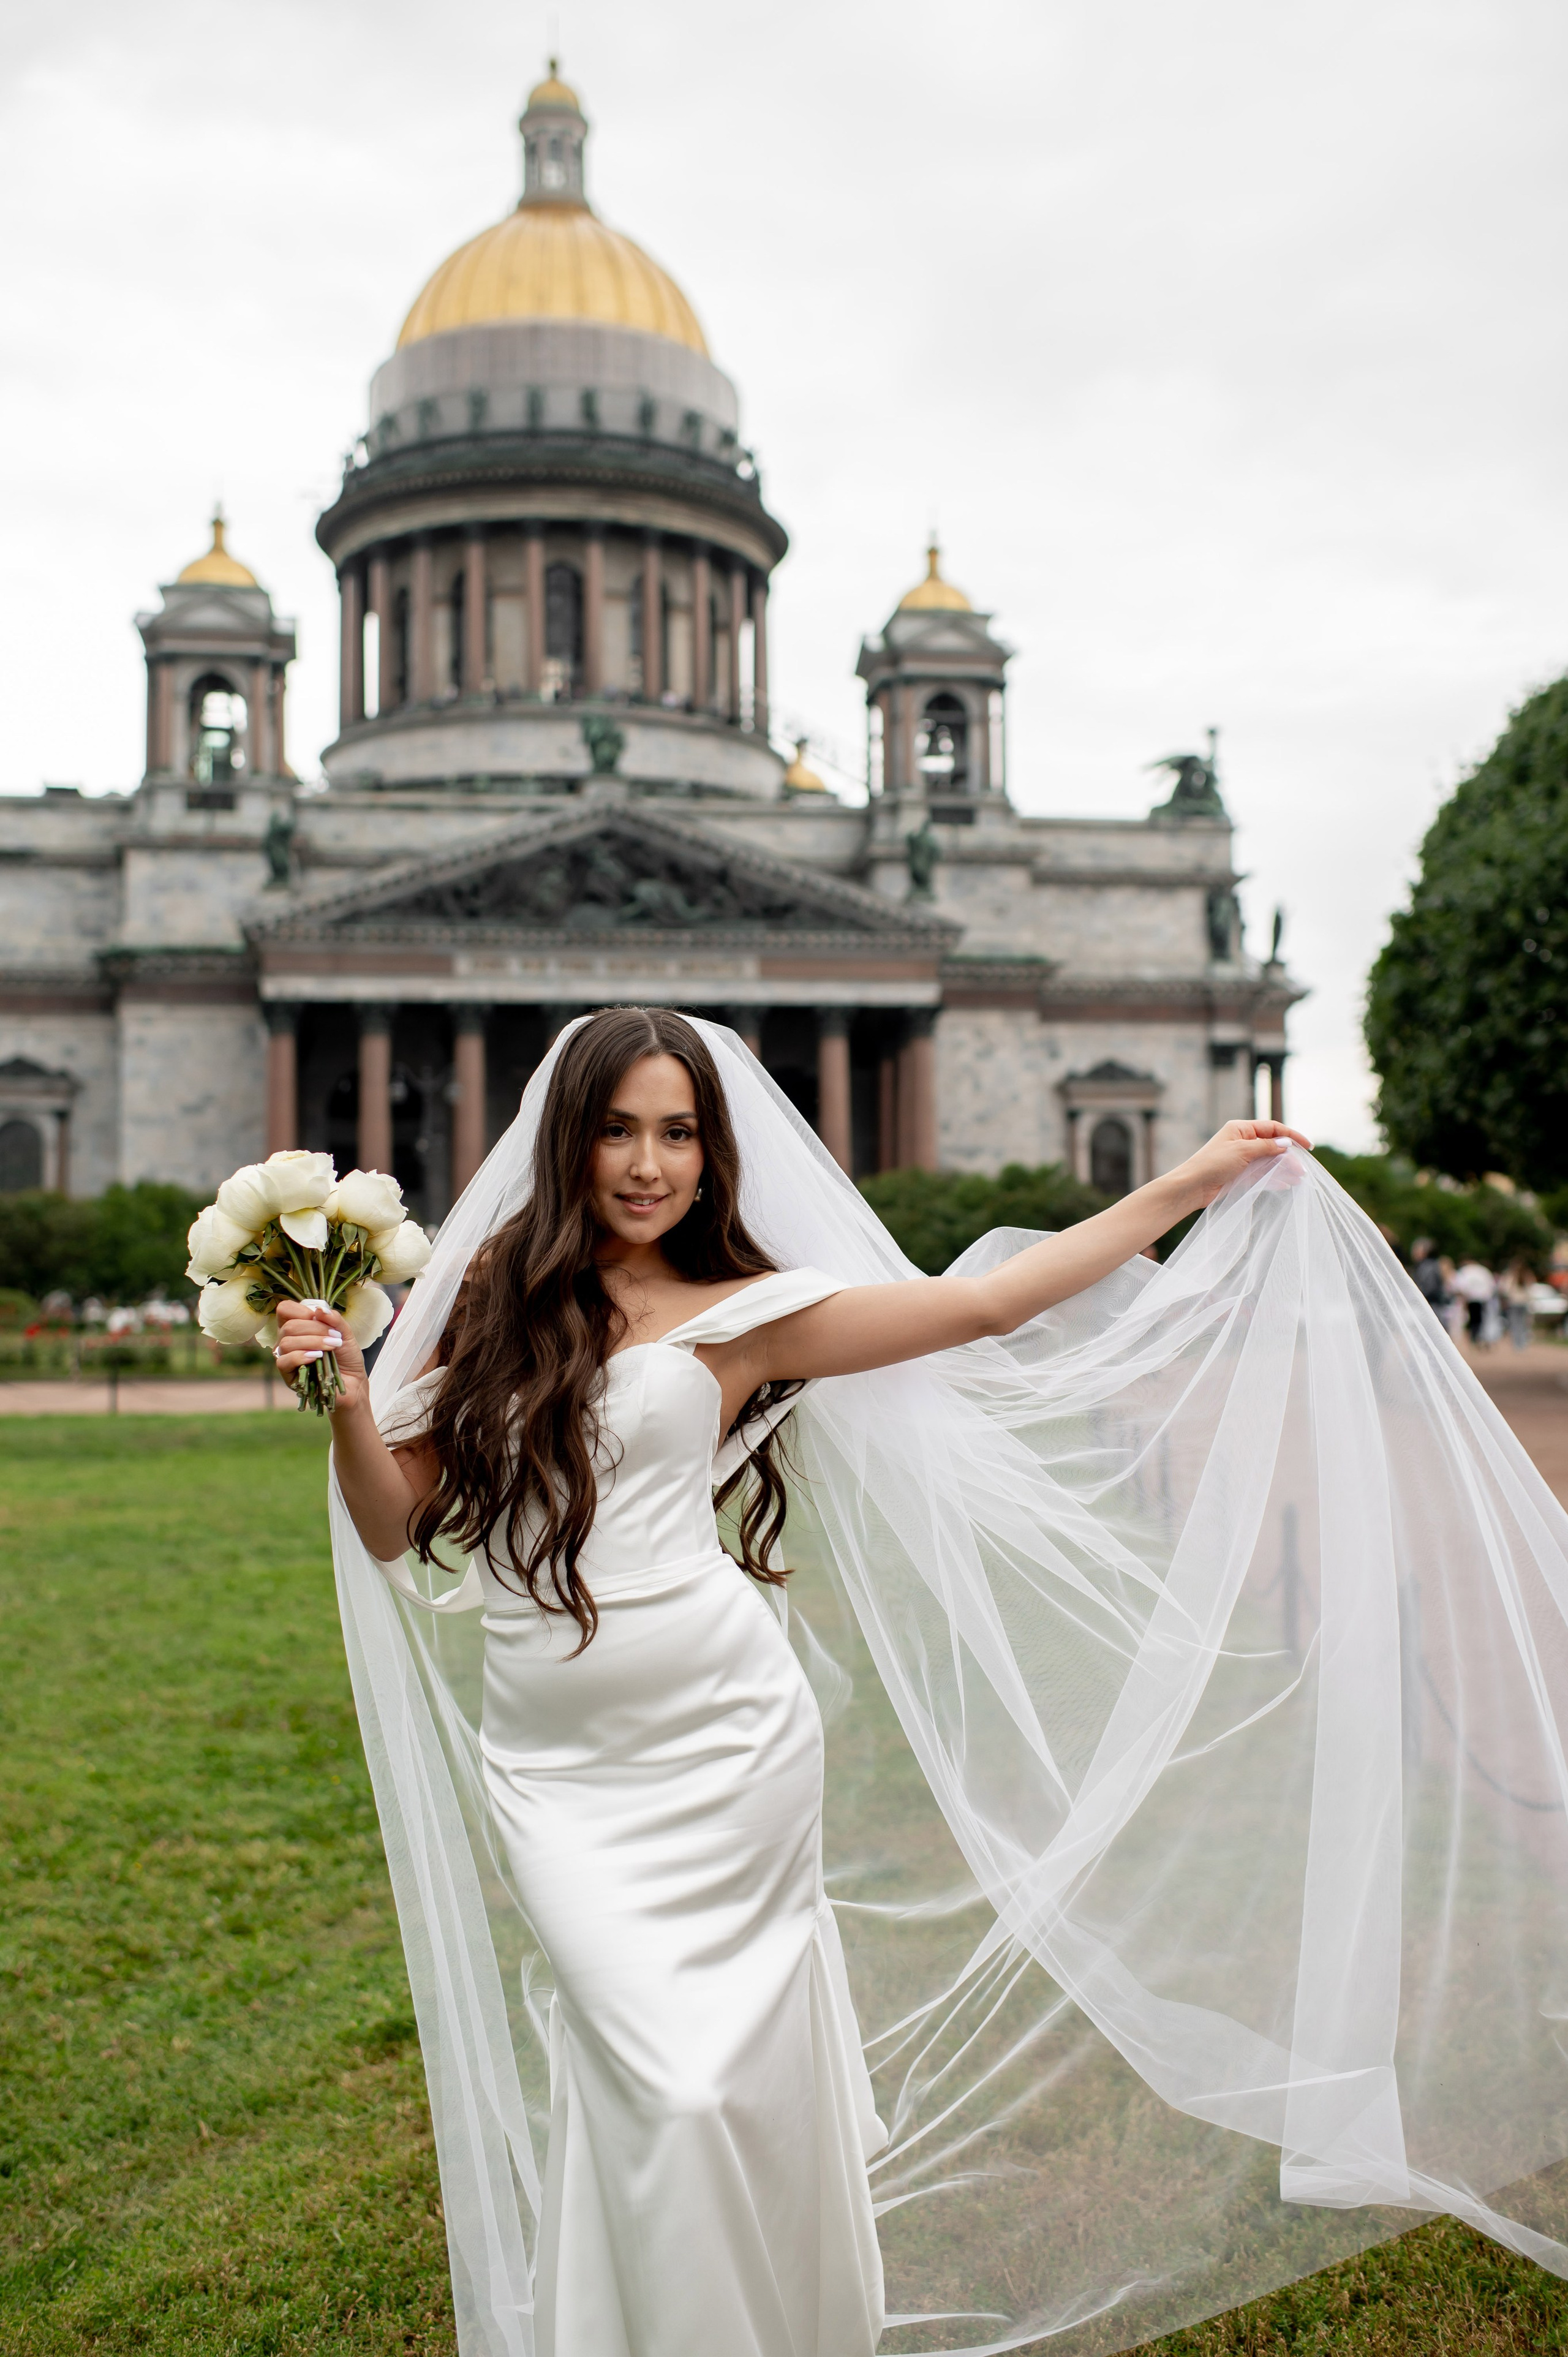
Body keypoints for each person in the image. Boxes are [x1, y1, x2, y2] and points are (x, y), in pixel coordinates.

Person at [273, 1011, 1568, 2357]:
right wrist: (354, 1401)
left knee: (710, 2083)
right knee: (647, 2073)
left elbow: (985, 1304)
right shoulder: (493, 1296)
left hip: (722, 1741)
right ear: (569, 1141)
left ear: (714, 1155)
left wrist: (1184, 1183)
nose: (645, 1163)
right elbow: (389, 1522)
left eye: (676, 1131)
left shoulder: (750, 1317)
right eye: (616, 1129)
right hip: (555, 1758)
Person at [1450, 1254, 1497, 1344]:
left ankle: (1475, 1336)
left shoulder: (1466, 1271)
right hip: (1483, 1299)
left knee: (1473, 1319)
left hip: (1471, 1299)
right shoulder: (1483, 1271)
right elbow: (1491, 1285)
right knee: (1481, 1318)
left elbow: (1460, 1286)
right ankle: (1480, 1336)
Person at [1410, 1236, 1449, 1322]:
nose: (1413, 1252)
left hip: (1431, 1307)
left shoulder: (1427, 1267)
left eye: (1416, 1249)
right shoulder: (1431, 1265)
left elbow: (1429, 1288)